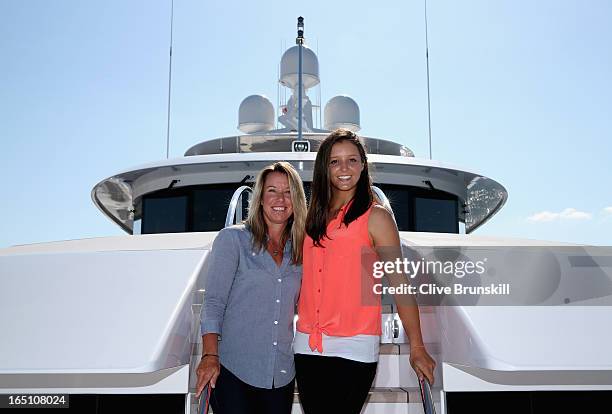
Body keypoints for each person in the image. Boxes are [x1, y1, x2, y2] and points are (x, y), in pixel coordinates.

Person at [294, 129, 436, 414]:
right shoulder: (313, 217)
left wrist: (417, 346)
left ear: (363, 165)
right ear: (324, 167)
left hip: (354, 345)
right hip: (308, 344)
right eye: (335, 161)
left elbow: (400, 284)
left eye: (352, 160)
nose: (344, 169)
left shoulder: (377, 217)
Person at [195, 161, 307, 414]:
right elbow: (213, 303)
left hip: (282, 376)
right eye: (272, 191)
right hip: (234, 371)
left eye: (288, 191)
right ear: (259, 197)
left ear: (297, 200)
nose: (280, 199)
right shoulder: (232, 239)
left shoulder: (302, 250)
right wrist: (210, 356)